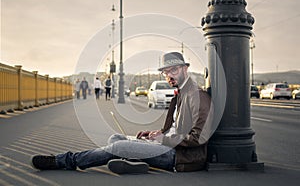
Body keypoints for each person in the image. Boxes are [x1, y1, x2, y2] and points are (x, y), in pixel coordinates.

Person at [30, 52, 212, 174]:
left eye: (174, 70)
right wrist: (155, 134)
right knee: (116, 138)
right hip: (167, 146)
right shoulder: (181, 94)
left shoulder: (196, 95)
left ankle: (63, 161)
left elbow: (198, 137)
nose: (169, 75)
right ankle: (136, 162)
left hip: (180, 157)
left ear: (185, 69)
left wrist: (163, 140)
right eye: (166, 72)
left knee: (118, 147)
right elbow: (174, 128)